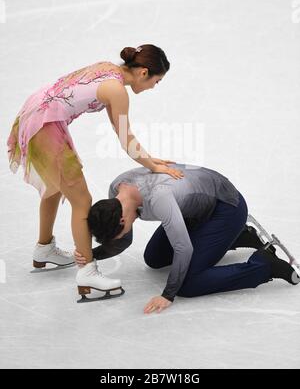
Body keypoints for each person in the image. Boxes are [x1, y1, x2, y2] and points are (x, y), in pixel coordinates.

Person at [6, 44, 184, 293]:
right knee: (82, 201)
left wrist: (151, 160)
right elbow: (126, 139)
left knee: (56, 189)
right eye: (157, 81)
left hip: (37, 113)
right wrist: (153, 165)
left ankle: (44, 248)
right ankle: (87, 272)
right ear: (144, 72)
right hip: (45, 124)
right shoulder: (117, 91)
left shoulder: (109, 71)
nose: (155, 86)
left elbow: (120, 132)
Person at [75, 163, 300, 313]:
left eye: (117, 233)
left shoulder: (159, 198)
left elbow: (184, 248)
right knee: (154, 258)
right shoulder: (116, 190)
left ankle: (264, 266)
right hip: (193, 211)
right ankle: (239, 236)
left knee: (188, 285)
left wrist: (168, 295)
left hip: (227, 208)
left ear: (122, 221)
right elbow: (124, 240)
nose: (120, 237)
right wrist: (91, 255)